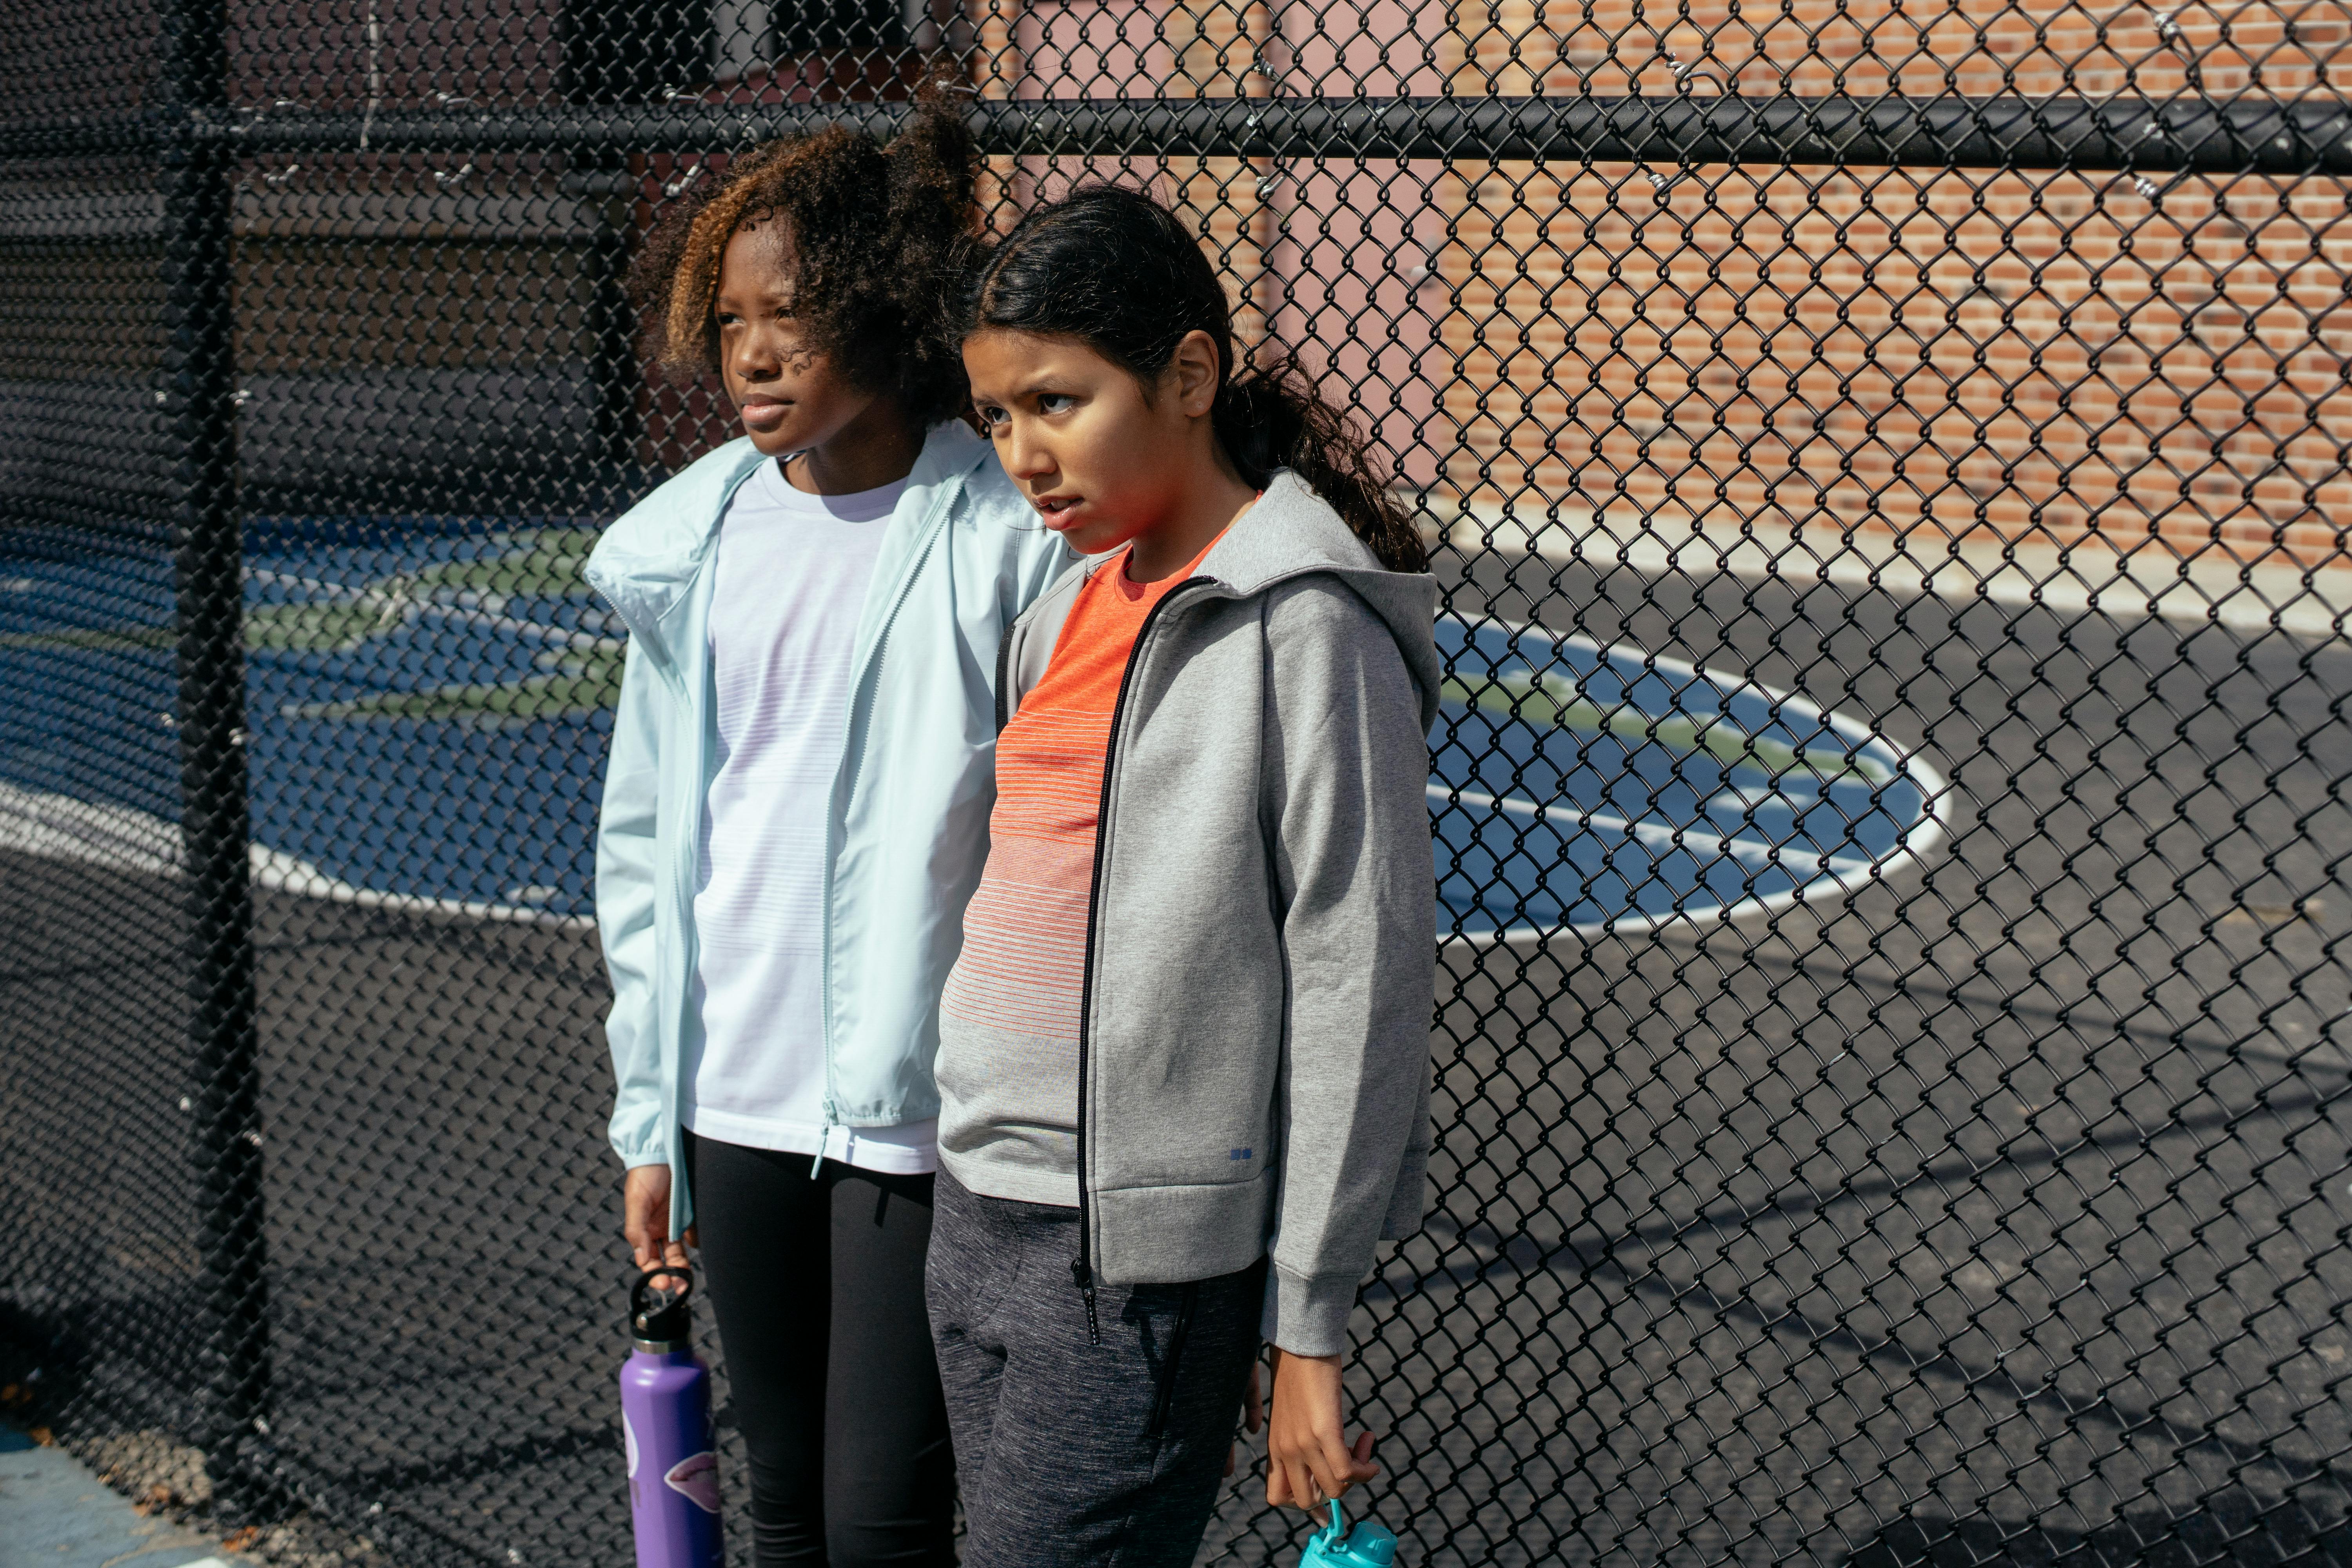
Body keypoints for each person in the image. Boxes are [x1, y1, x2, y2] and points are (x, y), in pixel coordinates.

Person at [583, 99, 1070, 1568]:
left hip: (910, 1116)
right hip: (731, 1092)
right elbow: (648, 846)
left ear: (887, 310)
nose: (752, 352)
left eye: (790, 313)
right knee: (778, 1495)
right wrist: (646, 1110)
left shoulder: (998, 534)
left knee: (880, 1523)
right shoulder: (698, 542)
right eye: (729, 318)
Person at [927, 183, 1440, 1568]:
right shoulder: (1066, 602)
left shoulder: (1305, 623)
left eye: (1058, 400)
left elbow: (1357, 969)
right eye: (996, 417)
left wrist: (1308, 1325)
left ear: (1191, 375)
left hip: (1132, 1266)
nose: (1023, 453)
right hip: (973, 1206)